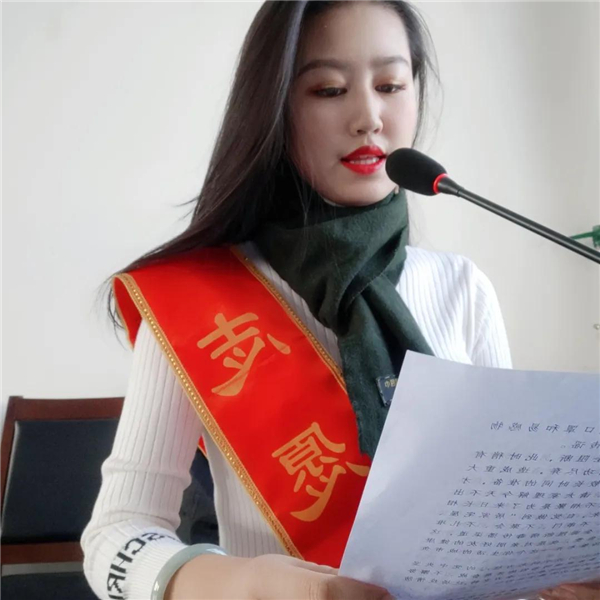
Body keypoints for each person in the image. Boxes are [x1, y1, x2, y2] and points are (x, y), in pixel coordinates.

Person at [81, 2, 598, 599]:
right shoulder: (198, 294)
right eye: (328, 90)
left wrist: (553, 576)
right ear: (275, 108)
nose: (368, 117)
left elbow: (500, 523)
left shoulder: (463, 288)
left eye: (390, 85)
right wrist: (243, 584)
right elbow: (116, 534)